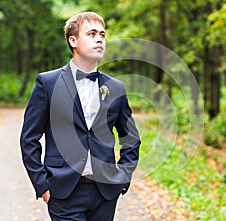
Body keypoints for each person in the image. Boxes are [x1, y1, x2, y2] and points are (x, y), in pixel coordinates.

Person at [20, 12, 140, 221]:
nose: (99, 38)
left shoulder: (115, 87)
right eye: (91, 33)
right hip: (63, 191)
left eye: (102, 34)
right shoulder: (47, 83)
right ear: (72, 40)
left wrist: (123, 176)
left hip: (105, 192)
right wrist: (43, 186)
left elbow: (131, 138)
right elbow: (29, 139)